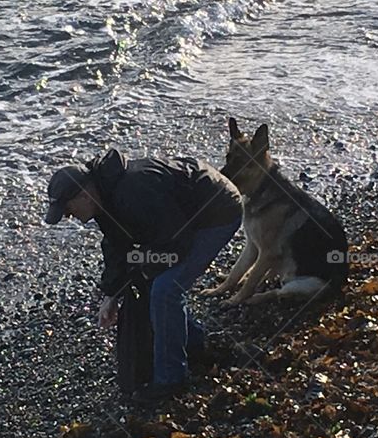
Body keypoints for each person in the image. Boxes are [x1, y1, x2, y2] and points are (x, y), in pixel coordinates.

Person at [44, 148, 242, 404]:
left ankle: (171, 379)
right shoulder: (103, 196)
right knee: (151, 282)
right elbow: (117, 246)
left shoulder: (134, 193)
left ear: (83, 195)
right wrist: (111, 293)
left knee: (165, 289)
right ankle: (194, 345)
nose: (70, 217)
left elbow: (176, 244)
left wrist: (143, 265)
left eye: (68, 211)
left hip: (218, 210)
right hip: (183, 216)